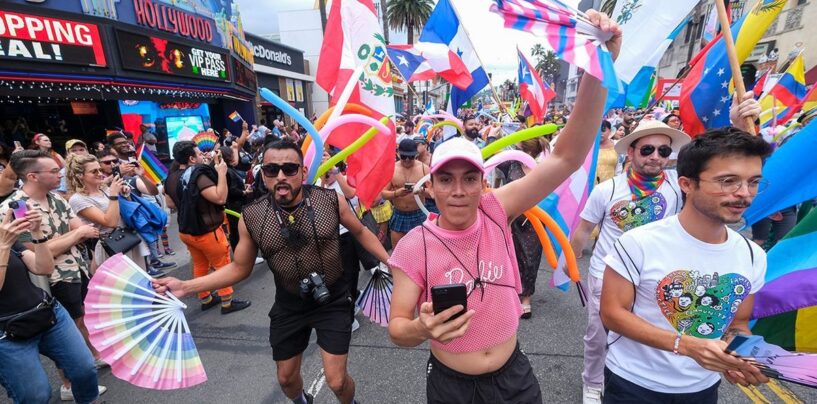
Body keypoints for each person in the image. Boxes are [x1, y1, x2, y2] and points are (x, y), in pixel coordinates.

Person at [386, 11, 621, 403]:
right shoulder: (414, 245)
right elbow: (397, 327)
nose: (458, 190)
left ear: (484, 183)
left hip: (513, 378)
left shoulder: (495, 209)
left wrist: (599, 66)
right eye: (446, 179)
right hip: (452, 386)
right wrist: (422, 329)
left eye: (469, 178)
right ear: (432, 188)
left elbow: (567, 157)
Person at [153, 140, 391, 404]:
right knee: (286, 379)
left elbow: (359, 231)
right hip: (289, 305)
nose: (280, 176)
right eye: (271, 169)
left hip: (332, 299)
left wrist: (390, 261)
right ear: (262, 173)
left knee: (336, 380)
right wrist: (187, 286)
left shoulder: (329, 200)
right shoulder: (252, 216)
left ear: (302, 171)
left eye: (289, 169)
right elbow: (239, 268)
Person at [600, 127, 773, 402]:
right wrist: (686, 345)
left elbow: (738, 323)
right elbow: (612, 314)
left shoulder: (753, 255)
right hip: (633, 384)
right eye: (728, 181)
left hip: (702, 389)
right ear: (687, 184)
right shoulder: (639, 242)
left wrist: (747, 354)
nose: (744, 193)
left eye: (753, 182)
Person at [566, 119, 690, 404]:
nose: (656, 157)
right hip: (606, 276)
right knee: (599, 336)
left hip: (653, 278)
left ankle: (630, 381)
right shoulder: (607, 190)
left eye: (663, 151)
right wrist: (571, 262)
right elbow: (584, 230)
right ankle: (593, 382)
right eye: (647, 150)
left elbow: (720, 168)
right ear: (631, 153)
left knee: (642, 337)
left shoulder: (677, 186)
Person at [0, 150, 107, 399]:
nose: (60, 175)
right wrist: (5, 245)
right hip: (8, 328)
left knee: (85, 369)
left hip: (45, 308)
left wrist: (39, 236)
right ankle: (66, 385)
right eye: (54, 171)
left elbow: (41, 264)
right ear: (32, 176)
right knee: (36, 395)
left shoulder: (55, 200)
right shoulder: (15, 208)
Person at [164, 141, 250, 314]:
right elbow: (220, 198)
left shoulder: (171, 177)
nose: (203, 156)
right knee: (223, 264)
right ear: (191, 158)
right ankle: (227, 302)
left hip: (186, 231)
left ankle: (206, 298)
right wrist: (221, 174)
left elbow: (170, 203)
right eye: (199, 154)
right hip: (206, 231)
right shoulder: (198, 175)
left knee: (200, 264)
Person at [65, 154, 152, 274]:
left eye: (100, 169)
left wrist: (125, 196)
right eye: (94, 171)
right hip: (111, 246)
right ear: (80, 176)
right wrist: (114, 195)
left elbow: (125, 215)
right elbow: (110, 222)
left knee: (140, 281)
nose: (100, 173)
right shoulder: (77, 199)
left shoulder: (105, 189)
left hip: (128, 239)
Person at [384, 138, 430, 247]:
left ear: (416, 154)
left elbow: (434, 193)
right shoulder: (392, 169)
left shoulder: (424, 169)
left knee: (421, 250)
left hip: (419, 213)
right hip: (399, 214)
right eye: (404, 156)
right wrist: (397, 193)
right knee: (398, 252)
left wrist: (421, 191)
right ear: (398, 154)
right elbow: (383, 194)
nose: (408, 160)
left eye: (411, 157)